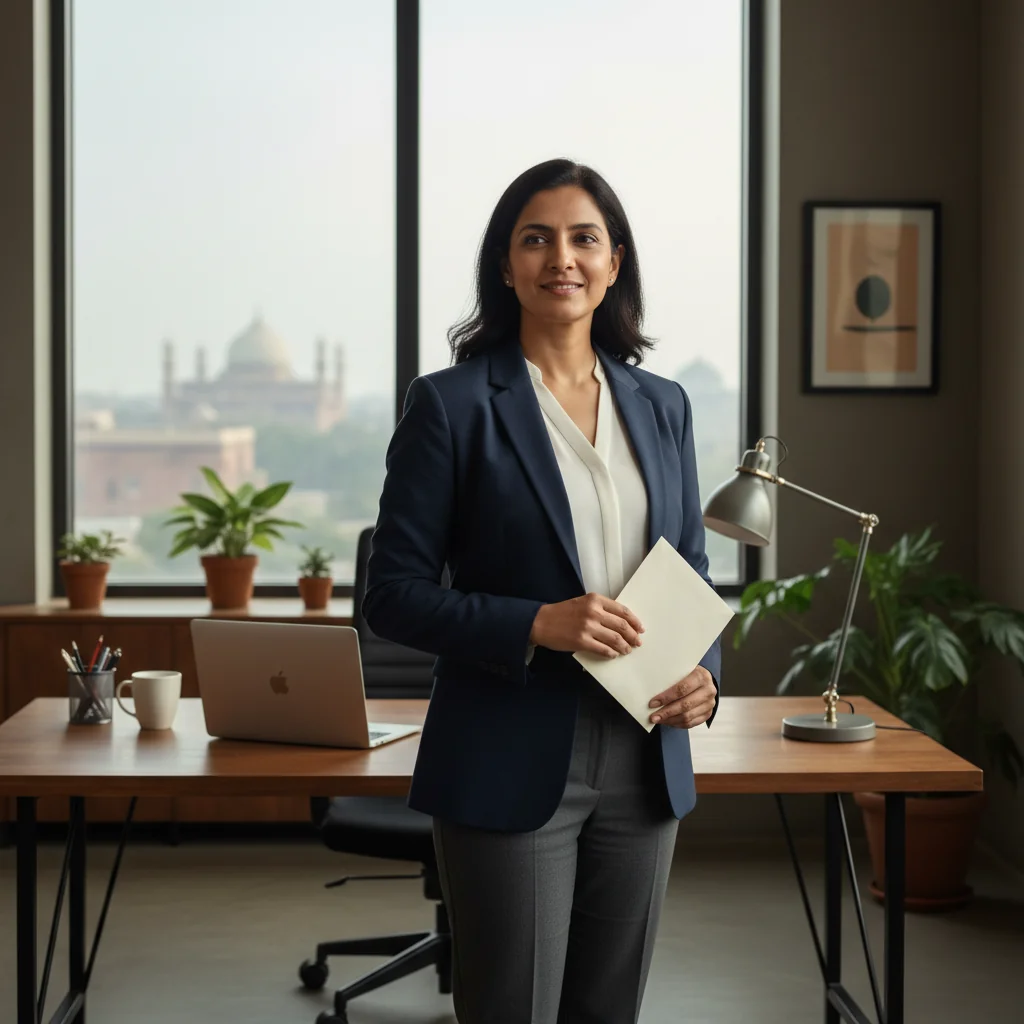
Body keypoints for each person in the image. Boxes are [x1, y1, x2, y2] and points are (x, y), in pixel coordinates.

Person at [363, 158, 722, 1024]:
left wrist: (705, 678)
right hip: (508, 750)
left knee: (608, 1010)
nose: (561, 258)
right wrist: (539, 624)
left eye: (583, 238)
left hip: (645, 754)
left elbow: (692, 569)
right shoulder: (451, 406)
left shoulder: (664, 405)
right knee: (511, 1009)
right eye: (536, 239)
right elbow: (393, 595)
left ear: (614, 261)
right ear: (505, 264)